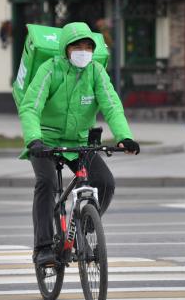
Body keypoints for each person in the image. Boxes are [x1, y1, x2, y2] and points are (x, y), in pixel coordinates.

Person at [16, 22, 140, 267]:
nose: (83, 51)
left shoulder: (95, 72)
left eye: (87, 46)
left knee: (105, 182)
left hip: (79, 142)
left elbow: (112, 105)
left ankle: (85, 224)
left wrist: (124, 136)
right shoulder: (49, 70)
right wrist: (34, 139)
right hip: (45, 141)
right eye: (77, 46)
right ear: (65, 49)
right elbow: (30, 106)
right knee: (47, 182)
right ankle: (42, 248)